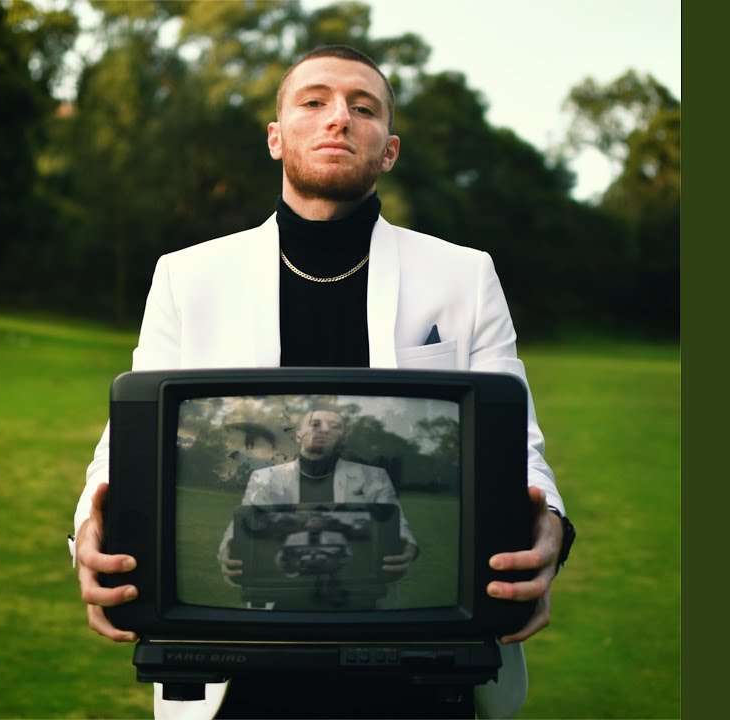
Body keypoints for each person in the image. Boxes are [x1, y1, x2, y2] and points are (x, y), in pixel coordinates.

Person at [72, 44, 575, 719]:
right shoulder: (188, 276)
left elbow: (518, 443)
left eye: (363, 107)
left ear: (389, 150)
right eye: (314, 101)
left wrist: (551, 525)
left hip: (419, 663)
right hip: (240, 662)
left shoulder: (465, 275)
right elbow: (129, 441)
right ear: (276, 138)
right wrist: (89, 528)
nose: (339, 116)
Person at [216, 407, 419, 609]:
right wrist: (227, 549)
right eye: (315, 424)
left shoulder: (373, 477)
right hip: (283, 596)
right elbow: (244, 522)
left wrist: (408, 547)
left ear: (343, 438)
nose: (324, 429)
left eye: (335, 426)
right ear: (298, 434)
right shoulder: (266, 478)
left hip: (356, 596)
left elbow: (395, 523)